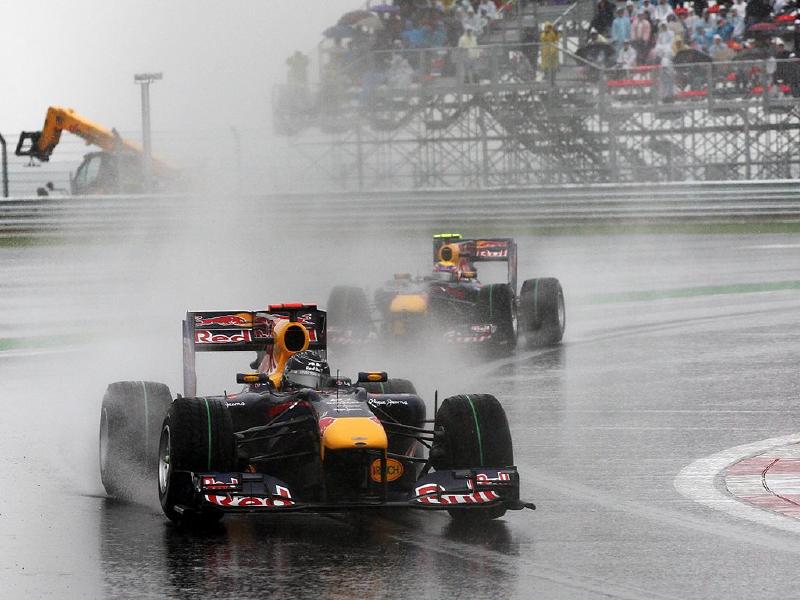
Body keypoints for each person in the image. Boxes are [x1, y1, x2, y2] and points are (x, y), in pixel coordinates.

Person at [540, 21, 560, 86]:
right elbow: (543, 38)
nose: (548, 28)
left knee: (553, 69)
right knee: (547, 68)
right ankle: (548, 81)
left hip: (553, 54)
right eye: (547, 27)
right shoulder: (544, 34)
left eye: (549, 27)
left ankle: (552, 81)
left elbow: (556, 38)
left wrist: (556, 32)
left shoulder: (552, 33)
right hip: (546, 54)